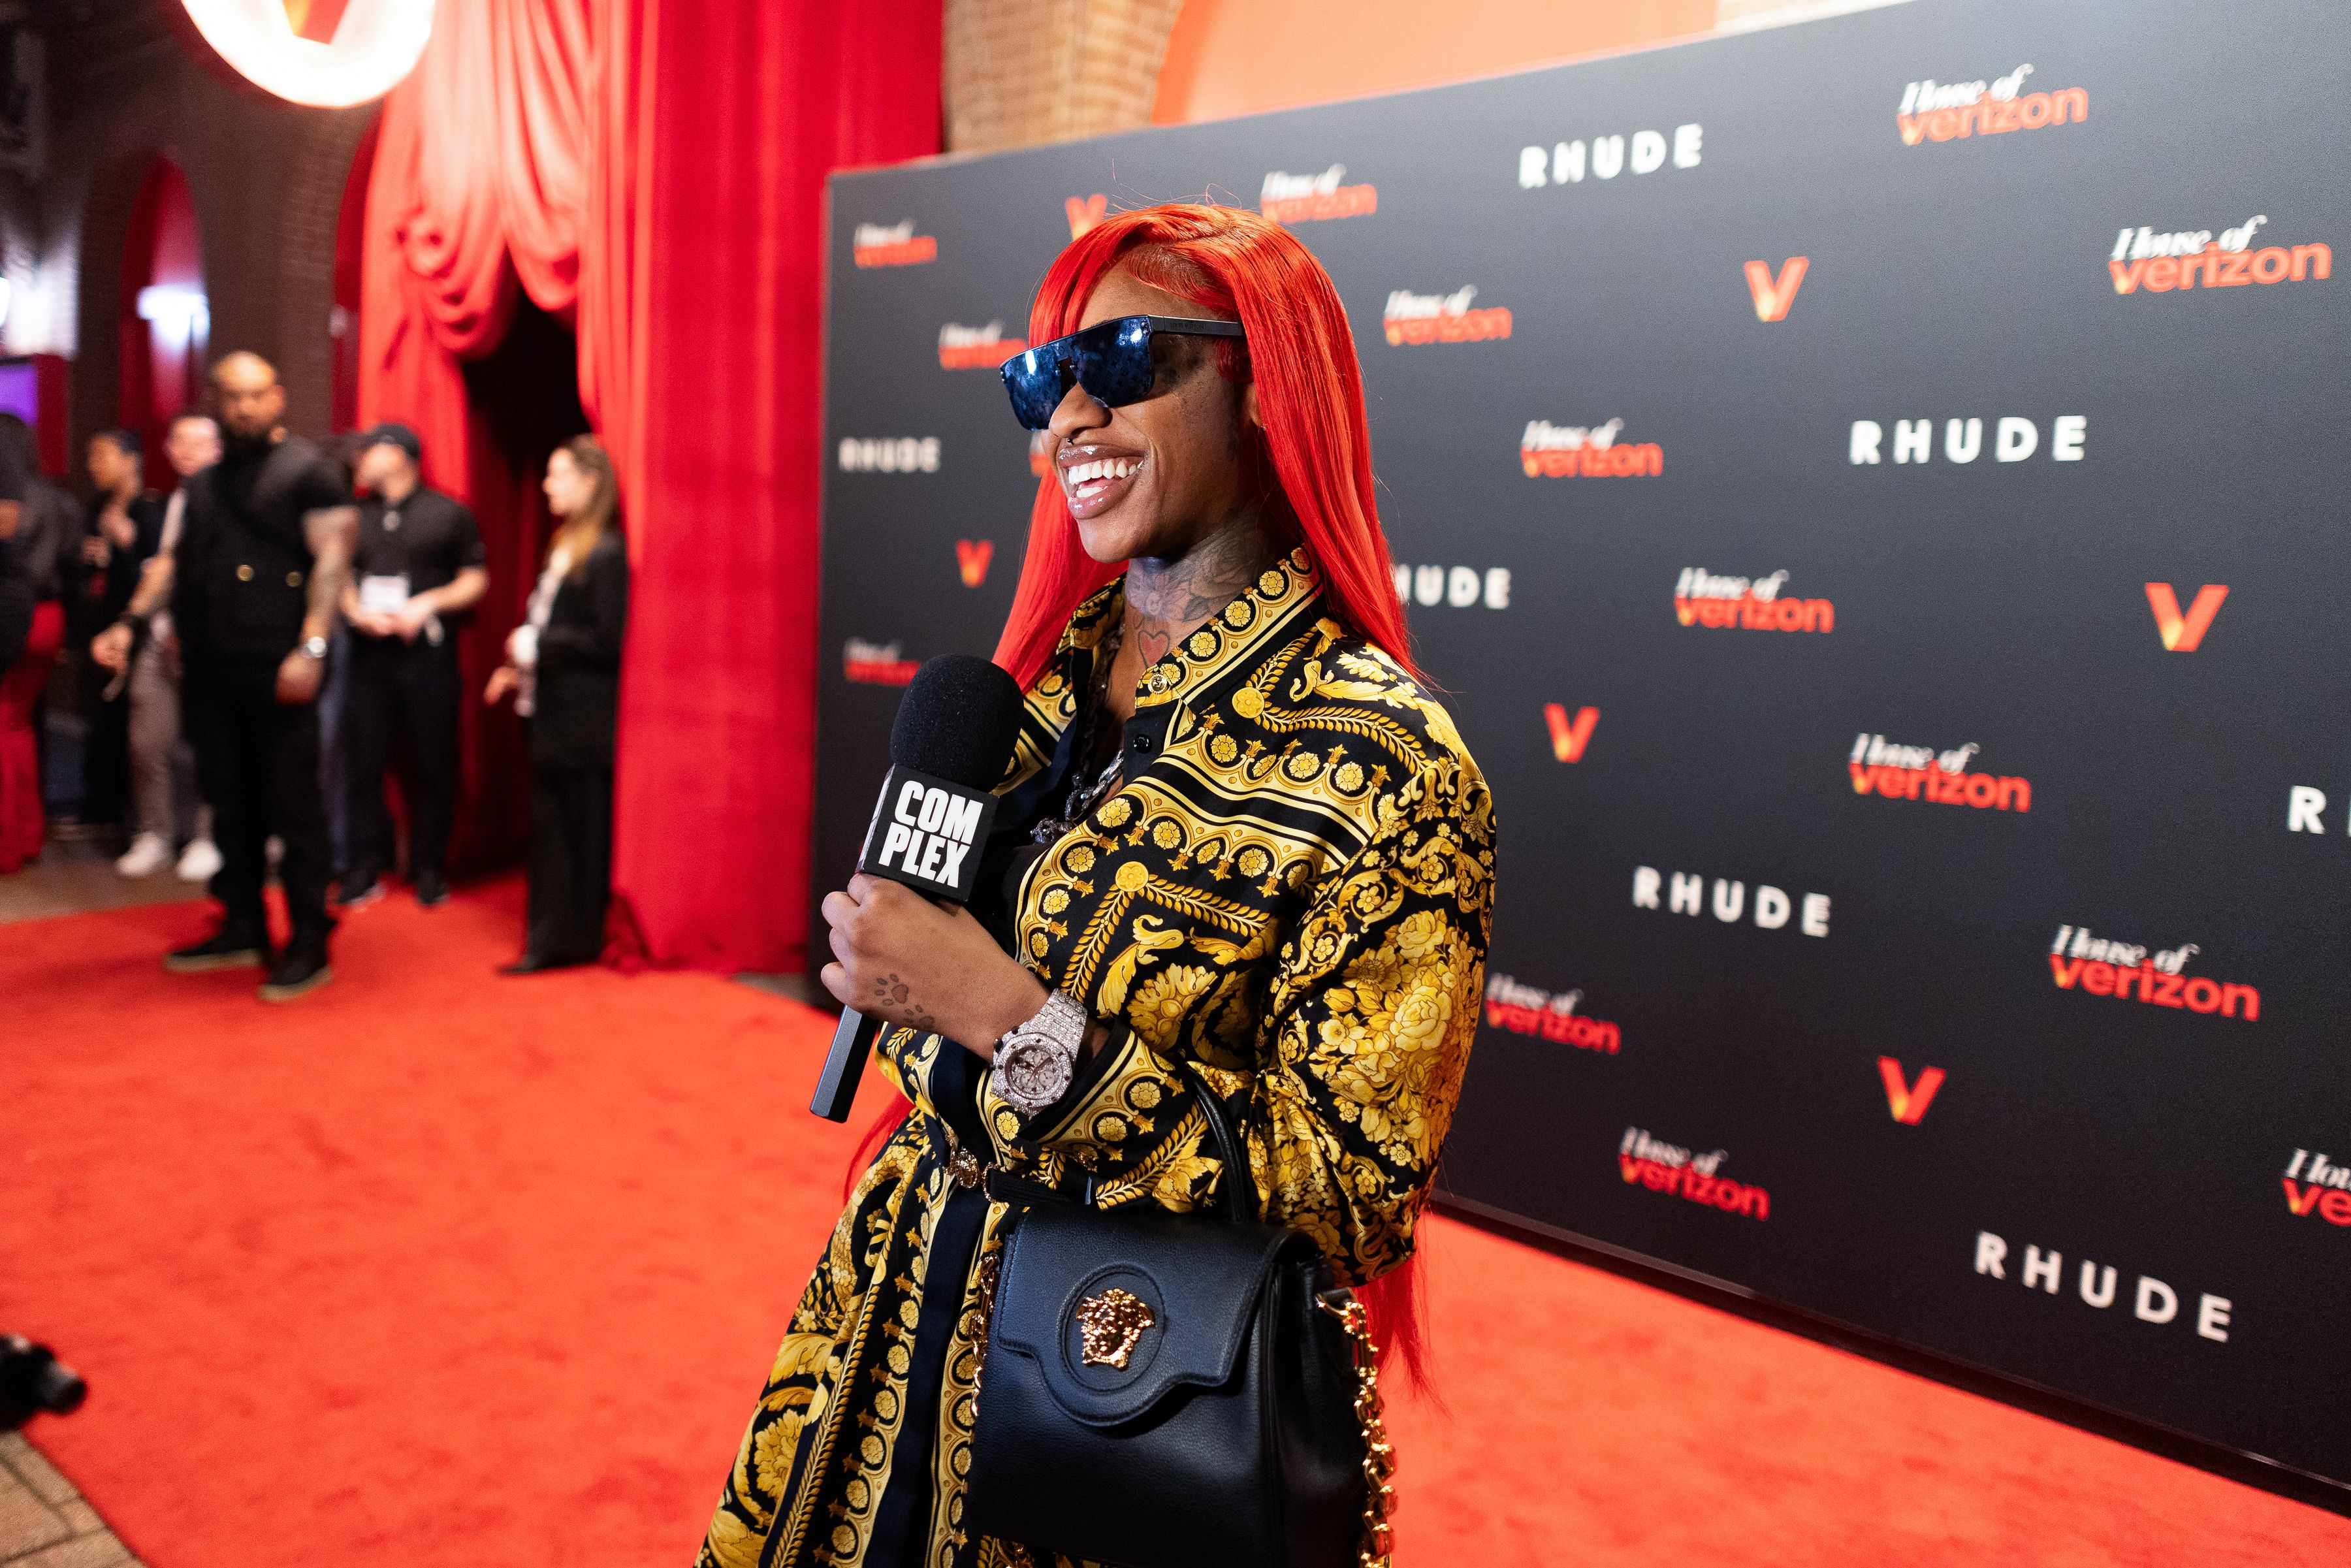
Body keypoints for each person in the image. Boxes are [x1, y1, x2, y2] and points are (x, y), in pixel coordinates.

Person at [696, 204, 1495, 1568]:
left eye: (1123, 361)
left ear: (1264, 383)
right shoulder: (1027, 691)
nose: (1068, 417)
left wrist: (1012, 1023)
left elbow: (1350, 1198)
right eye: (1041, 380)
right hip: (879, 1334)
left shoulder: (1391, 766)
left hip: (1121, 1401)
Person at [155, 353, 357, 1000]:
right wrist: (140, 624)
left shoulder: (309, 471)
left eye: (256, 394)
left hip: (282, 664)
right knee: (230, 800)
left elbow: (332, 564)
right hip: (214, 666)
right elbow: (182, 564)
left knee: (292, 804)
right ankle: (243, 923)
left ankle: (309, 938)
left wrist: (313, 647)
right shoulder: (205, 483)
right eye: (232, 396)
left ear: (279, 397)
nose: (244, 407)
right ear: (215, 400)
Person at [485, 436, 626, 971]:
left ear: (590, 481)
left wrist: (539, 646)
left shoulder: (605, 552)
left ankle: (565, 939)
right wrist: (517, 666)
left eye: (557, 474)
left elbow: (607, 638)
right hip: (551, 713)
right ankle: (551, 937)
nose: (547, 486)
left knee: (574, 833)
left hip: (582, 723)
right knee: (551, 833)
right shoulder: (567, 544)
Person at [337, 423, 487, 909]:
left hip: (427, 657)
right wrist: (355, 611)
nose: (361, 458)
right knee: (362, 763)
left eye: (372, 449)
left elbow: (475, 579)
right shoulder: (355, 514)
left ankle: (429, 868)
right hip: (368, 657)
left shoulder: (449, 512)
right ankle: (364, 868)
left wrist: (427, 604)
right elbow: (338, 573)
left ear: (401, 455)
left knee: (432, 763)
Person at [93, 412, 224, 881]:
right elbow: (162, 569)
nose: (188, 450)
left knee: (213, 743)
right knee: (146, 740)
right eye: (180, 441)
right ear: (167, 449)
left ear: (219, 449)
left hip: (209, 642)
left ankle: (210, 837)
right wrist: (130, 623)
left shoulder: (230, 503)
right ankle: (154, 833)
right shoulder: (168, 503)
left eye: (200, 442)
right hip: (157, 634)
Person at [69, 431, 165, 833]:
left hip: (135, 628)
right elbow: (89, 570)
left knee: (133, 725)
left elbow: (155, 574)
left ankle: (133, 820)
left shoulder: (151, 509)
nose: (93, 465)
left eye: (102, 455)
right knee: (100, 718)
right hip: (99, 624)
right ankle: (101, 808)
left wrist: (127, 544)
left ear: (131, 461)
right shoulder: (97, 506)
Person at [0, 414, 65, 873]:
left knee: (6, 724)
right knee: (17, 725)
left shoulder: (17, 500)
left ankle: (7, 845)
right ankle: (25, 835)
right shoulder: (53, 496)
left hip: (16, 609)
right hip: (44, 613)